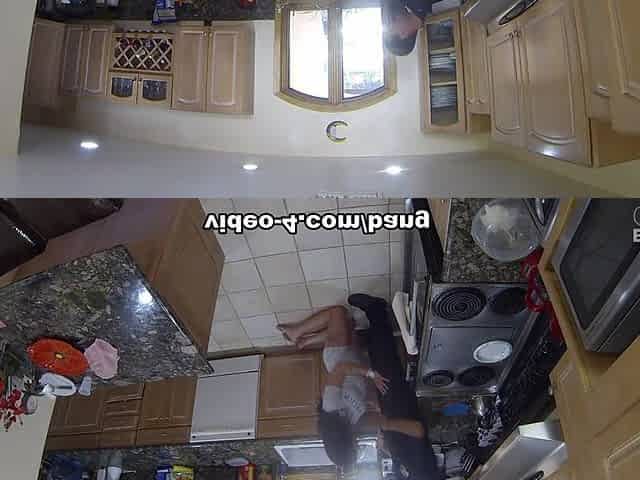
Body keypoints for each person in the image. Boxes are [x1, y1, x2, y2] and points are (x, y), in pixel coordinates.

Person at [279, 296, 443, 480]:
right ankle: (308, 340)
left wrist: (371, 377)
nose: (357, 444)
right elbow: (407, 428)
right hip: (371, 379)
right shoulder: (352, 425)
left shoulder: (334, 410)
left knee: (343, 318)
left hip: (343, 362)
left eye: (354, 446)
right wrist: (386, 444)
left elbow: (341, 371)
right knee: (362, 335)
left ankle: (297, 333)